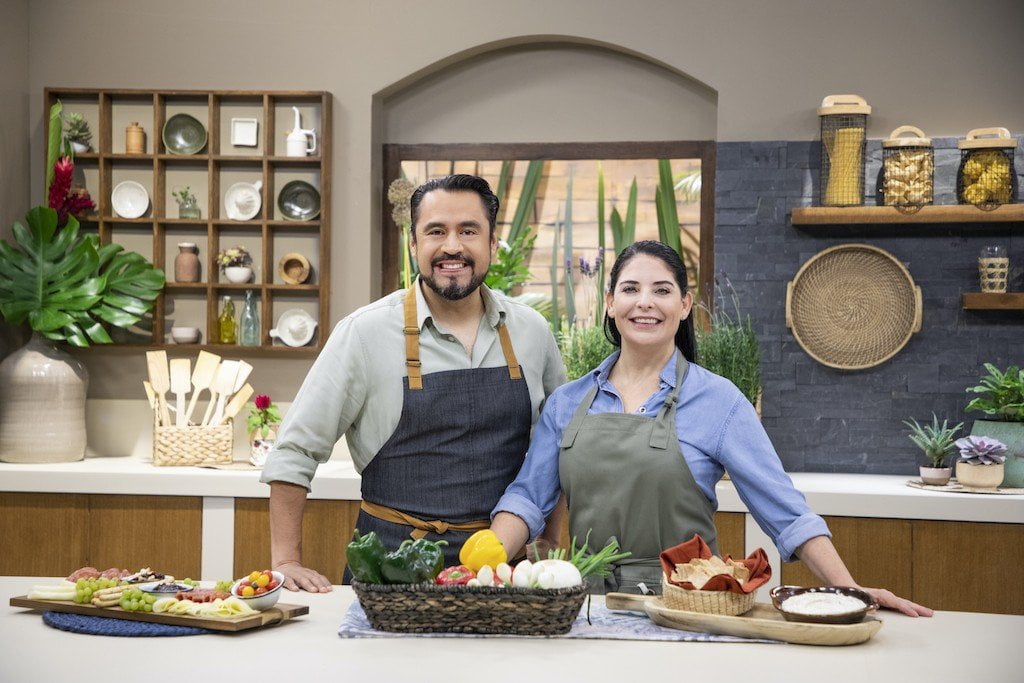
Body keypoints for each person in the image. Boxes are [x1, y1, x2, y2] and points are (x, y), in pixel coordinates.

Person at [490, 240, 932, 617]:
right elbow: (529, 497)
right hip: (587, 609)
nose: (645, 301)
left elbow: (786, 512)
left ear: (684, 305)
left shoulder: (719, 402)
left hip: (688, 607)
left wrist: (848, 590)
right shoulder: (567, 403)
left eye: (662, 290)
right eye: (630, 289)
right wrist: (480, 566)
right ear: (610, 302)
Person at [261, 174, 566, 592]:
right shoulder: (363, 334)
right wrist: (286, 560)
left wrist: (550, 537)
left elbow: (559, 448)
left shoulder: (531, 332)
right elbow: (294, 451)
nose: (452, 246)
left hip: (503, 573)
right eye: (436, 231)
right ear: (413, 245)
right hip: (389, 569)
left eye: (469, 231)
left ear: (492, 245)